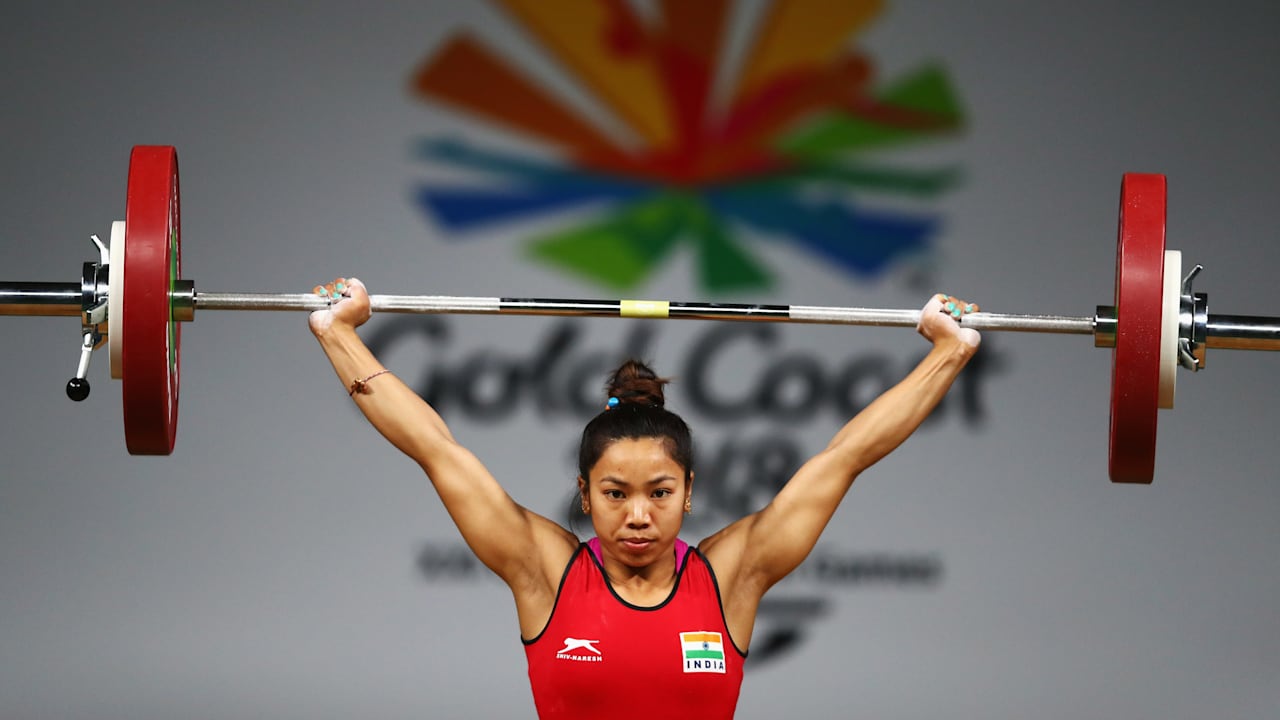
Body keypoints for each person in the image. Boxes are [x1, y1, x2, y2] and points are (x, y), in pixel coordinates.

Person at [308, 278, 981, 720]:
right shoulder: (546, 571)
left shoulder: (730, 575)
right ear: (584, 494)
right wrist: (338, 331)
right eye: (614, 493)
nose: (637, 514)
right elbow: (435, 447)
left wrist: (949, 352)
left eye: (660, 492)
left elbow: (847, 456)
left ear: (689, 492)